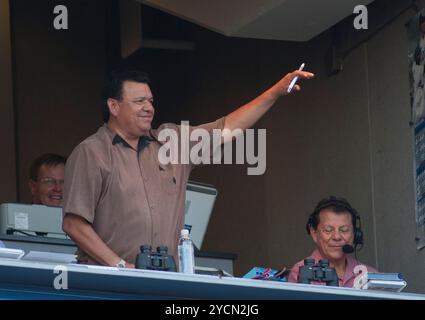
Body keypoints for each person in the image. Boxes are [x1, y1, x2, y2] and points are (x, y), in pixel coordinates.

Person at [63, 67, 314, 268]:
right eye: (139, 101)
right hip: (108, 284)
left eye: (150, 101)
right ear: (113, 106)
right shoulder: (92, 152)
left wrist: (276, 92)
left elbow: (226, 128)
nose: (149, 108)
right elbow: (74, 224)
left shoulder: (172, 141)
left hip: (164, 280)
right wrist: (119, 266)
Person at [288, 196, 377, 287]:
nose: (337, 237)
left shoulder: (370, 276)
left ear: (355, 234)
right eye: (328, 230)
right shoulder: (300, 272)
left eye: (344, 230)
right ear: (314, 233)